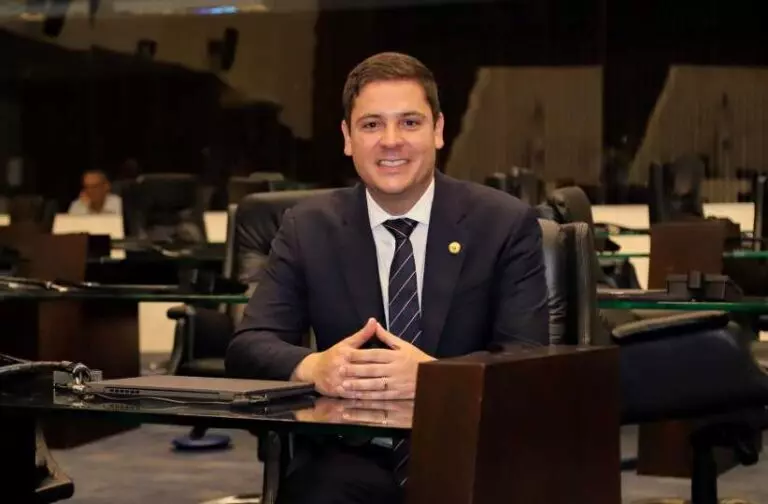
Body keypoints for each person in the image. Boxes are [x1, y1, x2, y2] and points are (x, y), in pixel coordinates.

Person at [226, 52, 549, 504]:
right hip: (351, 455)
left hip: (471, 449)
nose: (391, 142)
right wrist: (315, 367)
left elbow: (527, 358)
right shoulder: (308, 227)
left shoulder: (504, 223)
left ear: (438, 130)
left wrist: (436, 378)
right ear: (348, 138)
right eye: (372, 125)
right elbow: (249, 345)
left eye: (410, 123)